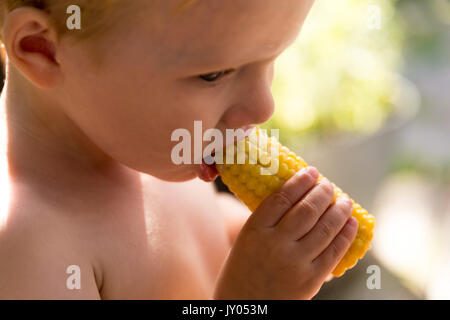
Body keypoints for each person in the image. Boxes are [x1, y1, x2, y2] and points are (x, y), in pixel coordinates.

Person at [0, 0, 357, 299]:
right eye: (214, 75)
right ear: (43, 50)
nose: (264, 107)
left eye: (272, 59)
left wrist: (272, 242)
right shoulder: (28, 249)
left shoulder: (153, 147)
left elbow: (196, 237)